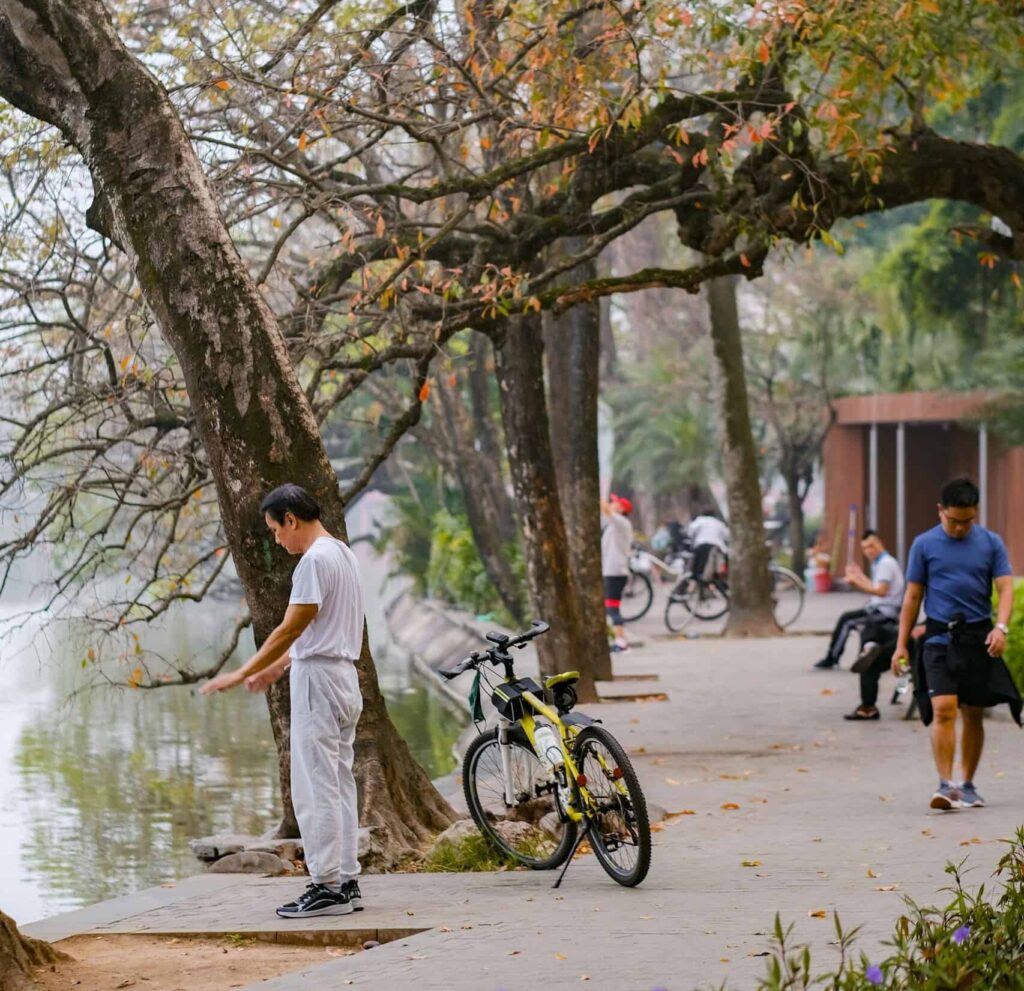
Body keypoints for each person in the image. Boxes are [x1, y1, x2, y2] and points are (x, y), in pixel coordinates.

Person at [201, 483, 366, 917]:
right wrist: (277, 668)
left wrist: (243, 671)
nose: (277, 539)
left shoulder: (314, 560)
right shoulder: (343, 554)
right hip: (344, 677)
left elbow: (290, 628)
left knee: (315, 787)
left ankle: (326, 884)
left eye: (276, 529)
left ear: (291, 518)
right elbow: (319, 629)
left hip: (321, 683)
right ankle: (347, 880)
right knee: (339, 780)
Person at [891, 476, 1020, 811]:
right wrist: (901, 645)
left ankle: (968, 784)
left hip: (979, 638)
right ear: (940, 511)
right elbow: (913, 596)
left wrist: (1001, 628)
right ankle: (945, 785)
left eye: (968, 521)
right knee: (944, 709)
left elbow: (1005, 588)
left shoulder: (991, 543)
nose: (961, 528)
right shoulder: (923, 544)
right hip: (939, 638)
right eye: (954, 520)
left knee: (974, 713)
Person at [814, 529, 904, 669]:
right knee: (848, 618)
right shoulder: (881, 563)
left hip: (885, 611)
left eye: (871, 546)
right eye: (864, 548)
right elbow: (873, 586)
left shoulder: (886, 564)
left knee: (847, 621)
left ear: (880, 543)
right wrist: (859, 575)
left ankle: (832, 658)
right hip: (878, 608)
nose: (868, 551)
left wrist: (856, 582)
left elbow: (880, 591)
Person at [844, 623, 925, 721]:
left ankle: (868, 708)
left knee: (872, 661)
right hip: (908, 638)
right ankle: (870, 648)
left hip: (922, 646)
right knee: (872, 626)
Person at [601, 493, 634, 653]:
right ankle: (618, 639)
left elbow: (605, 509)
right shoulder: (615, 524)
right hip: (612, 571)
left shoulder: (622, 523)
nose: (611, 504)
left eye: (615, 503)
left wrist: (599, 497)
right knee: (610, 607)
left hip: (615, 572)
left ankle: (621, 642)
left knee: (612, 607)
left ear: (621, 509)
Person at [686, 508, 729, 582]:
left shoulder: (699, 521)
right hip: (716, 547)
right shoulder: (719, 523)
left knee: (697, 568)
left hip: (700, 546)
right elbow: (727, 536)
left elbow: (690, 533)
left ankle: (696, 576)